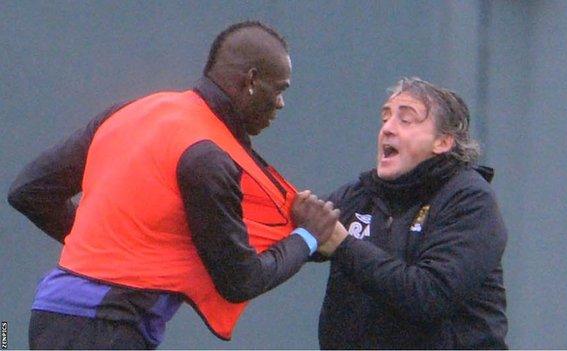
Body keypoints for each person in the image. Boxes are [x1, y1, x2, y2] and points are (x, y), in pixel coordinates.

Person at [7, 21, 339, 349]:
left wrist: (109, 249)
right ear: (251, 80)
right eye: (279, 90)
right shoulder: (208, 156)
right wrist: (307, 236)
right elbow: (241, 280)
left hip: (52, 311)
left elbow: (30, 192)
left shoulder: (134, 111)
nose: (280, 103)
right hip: (107, 327)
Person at [315, 77, 508, 349]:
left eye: (405, 120)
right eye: (385, 118)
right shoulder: (362, 194)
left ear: (442, 141)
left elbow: (429, 295)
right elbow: (288, 233)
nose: (387, 129)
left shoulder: (470, 200)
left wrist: (343, 246)